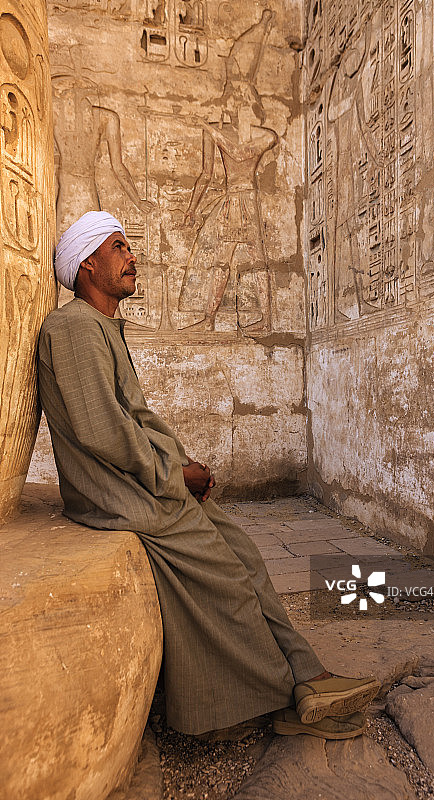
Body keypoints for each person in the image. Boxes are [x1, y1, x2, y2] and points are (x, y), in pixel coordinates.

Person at [38, 211, 379, 739]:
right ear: (86, 264)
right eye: (118, 248)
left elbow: (134, 420)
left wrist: (180, 466)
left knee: (241, 550)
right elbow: (102, 431)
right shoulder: (74, 327)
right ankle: (278, 696)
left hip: (143, 483)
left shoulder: (100, 326)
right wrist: (175, 475)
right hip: (116, 493)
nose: (132, 258)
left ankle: (309, 675)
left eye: (129, 248)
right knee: (224, 574)